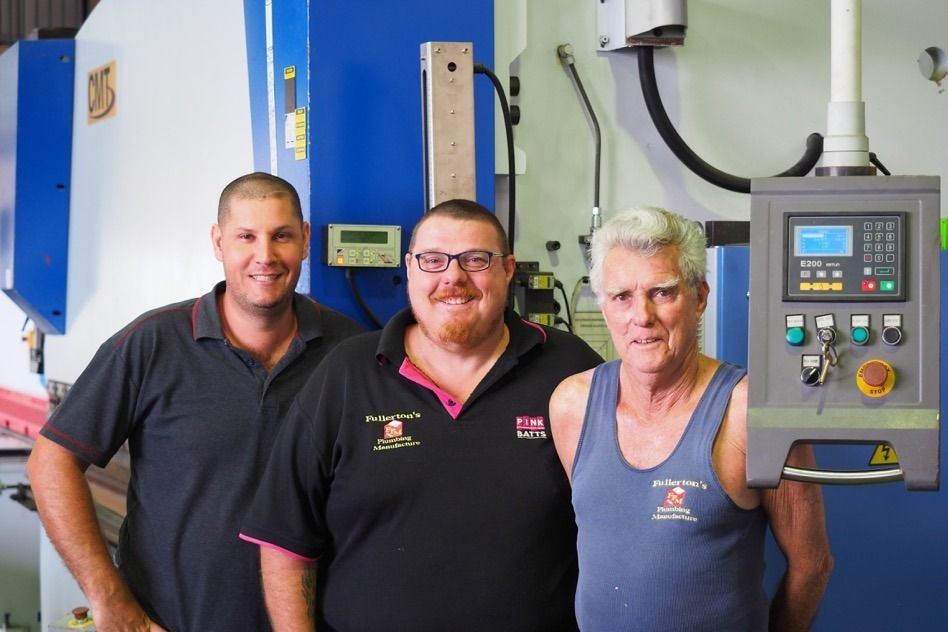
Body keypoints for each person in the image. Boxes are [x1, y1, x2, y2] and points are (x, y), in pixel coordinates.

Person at [239, 198, 603, 631]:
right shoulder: (346, 373)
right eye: (433, 260)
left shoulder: (571, 370)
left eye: (475, 259)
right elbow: (285, 541)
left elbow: (625, 517)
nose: (453, 276)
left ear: (507, 269)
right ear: (410, 269)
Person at [27, 172, 362, 631]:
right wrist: (111, 602)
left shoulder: (351, 351)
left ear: (304, 241)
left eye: (281, 236)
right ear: (218, 242)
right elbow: (51, 463)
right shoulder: (152, 344)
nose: (264, 256)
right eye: (246, 236)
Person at [549, 207, 833, 632]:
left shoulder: (752, 412)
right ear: (604, 306)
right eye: (621, 296)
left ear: (700, 297)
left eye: (662, 292)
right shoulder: (572, 404)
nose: (640, 315)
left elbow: (812, 566)